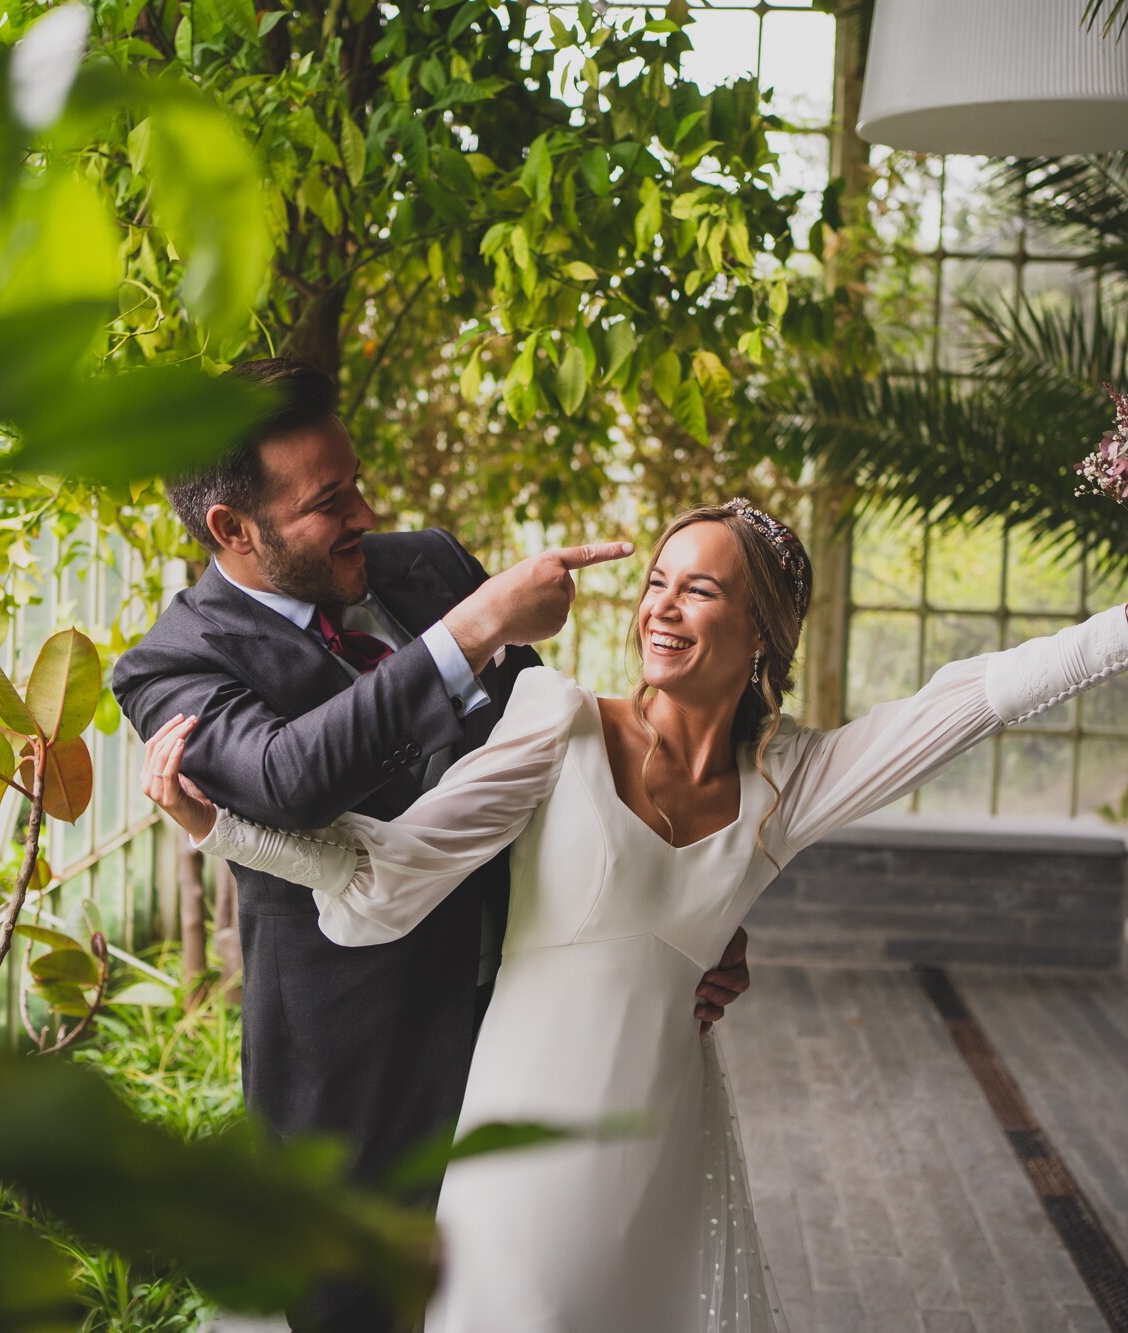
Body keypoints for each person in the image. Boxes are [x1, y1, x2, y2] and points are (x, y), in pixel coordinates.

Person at [140, 497, 1128, 1333]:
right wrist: (220, 828)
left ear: (761, 630)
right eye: (657, 581)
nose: (660, 604)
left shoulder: (784, 782)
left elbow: (960, 704)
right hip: (517, 1139)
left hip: (659, 1134)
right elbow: (385, 876)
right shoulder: (551, 717)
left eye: (698, 590)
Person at [109, 360, 753, 1333]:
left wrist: (697, 909)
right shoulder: (172, 665)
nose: (365, 510)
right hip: (358, 1076)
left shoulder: (428, 566)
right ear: (231, 531)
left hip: (544, 1030)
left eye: (357, 481)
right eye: (330, 502)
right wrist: (473, 628)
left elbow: (571, 767)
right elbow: (288, 780)